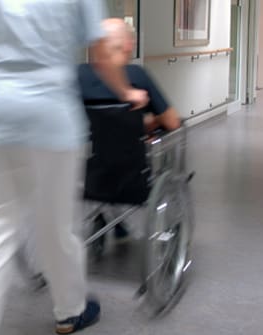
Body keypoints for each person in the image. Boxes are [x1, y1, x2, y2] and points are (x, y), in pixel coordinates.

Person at [0, 1, 149, 335]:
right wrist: (127, 92)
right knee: (56, 228)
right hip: (49, 119)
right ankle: (70, 311)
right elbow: (103, 54)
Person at [78, 18, 181, 250]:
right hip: (133, 174)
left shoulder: (78, 75)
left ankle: (106, 218)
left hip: (89, 173)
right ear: (128, 45)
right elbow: (172, 122)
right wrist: (148, 124)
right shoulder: (136, 76)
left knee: (102, 158)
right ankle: (116, 221)